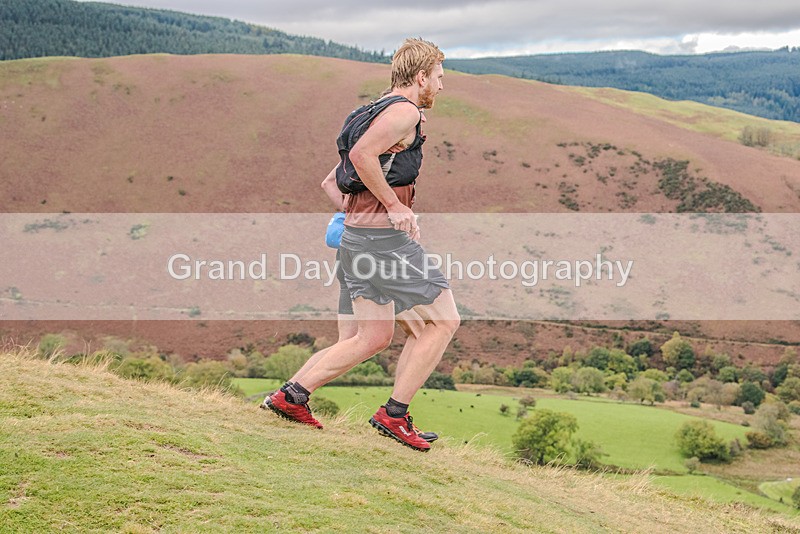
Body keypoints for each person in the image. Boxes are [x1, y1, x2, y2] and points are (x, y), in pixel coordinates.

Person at [263, 38, 459, 452]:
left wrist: (361, 215)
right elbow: (363, 154)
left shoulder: (367, 111)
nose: (442, 86)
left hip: (358, 239)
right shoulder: (406, 112)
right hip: (383, 242)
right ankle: (394, 414)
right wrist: (393, 208)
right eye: (439, 77)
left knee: (371, 338)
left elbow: (331, 182)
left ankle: (291, 396)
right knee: (444, 321)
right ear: (421, 76)